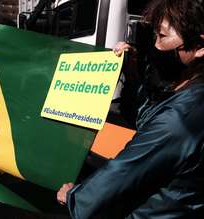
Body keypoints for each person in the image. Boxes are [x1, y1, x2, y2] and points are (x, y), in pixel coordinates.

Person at [57, 0, 204, 218]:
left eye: (163, 37)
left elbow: (122, 173)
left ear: (199, 47)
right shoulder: (189, 90)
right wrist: (133, 77)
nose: (156, 45)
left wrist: (75, 198)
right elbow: (150, 119)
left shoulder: (180, 119)